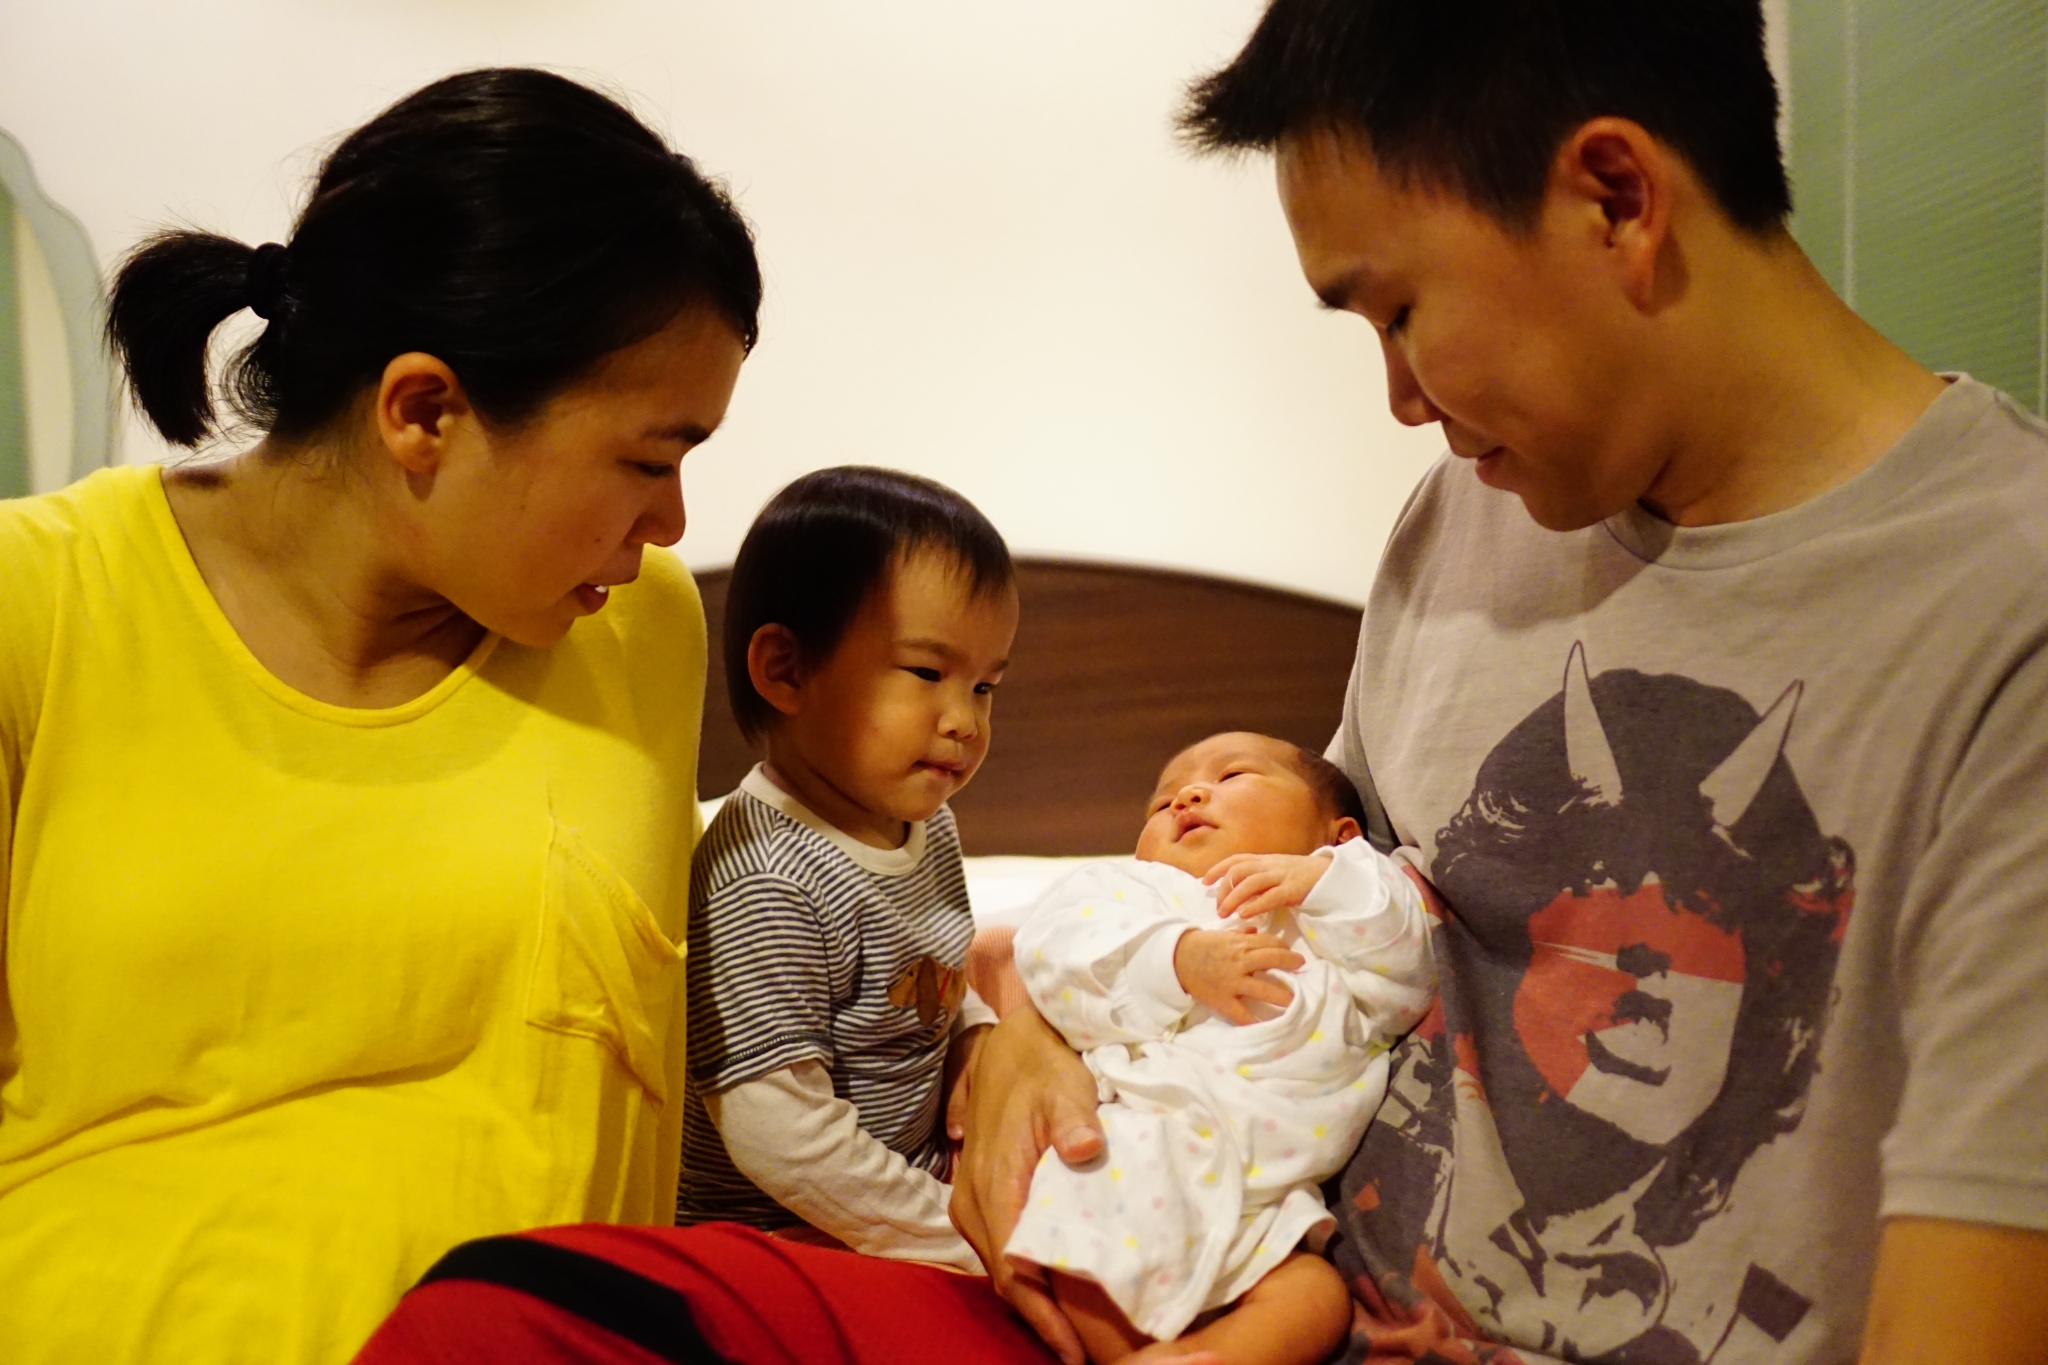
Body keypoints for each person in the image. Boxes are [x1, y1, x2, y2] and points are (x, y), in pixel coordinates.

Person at [954, 2, 2048, 1363]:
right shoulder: (1463, 522)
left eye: (1400, 312)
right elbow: (1287, 899)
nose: (1401, 400)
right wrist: (1027, 1033)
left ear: (1615, 199)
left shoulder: (2007, 621)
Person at [0, 68, 760, 1365]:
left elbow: (801, 931)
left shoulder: (641, 628)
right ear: (423, 412)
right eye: (647, 458)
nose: (673, 522)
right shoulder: (39, 603)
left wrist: (1006, 1028)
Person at [1004, 732, 1434, 1365]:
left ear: (1340, 836)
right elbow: (1056, 956)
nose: (1187, 798)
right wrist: (1175, 959)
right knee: (1087, 1264)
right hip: (1137, 1153)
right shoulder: (1133, 891)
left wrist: (1325, 881)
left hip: (1266, 1203)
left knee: (1317, 1299)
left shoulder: (1350, 905)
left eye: (1232, 776)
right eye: (1162, 803)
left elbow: (1408, 968)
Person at [677, 466, 1014, 1272]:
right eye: (927, 673)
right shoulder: (766, 879)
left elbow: (931, 974)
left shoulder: (924, 821)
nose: (965, 720)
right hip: (779, 1233)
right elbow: (781, 1134)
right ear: (787, 670)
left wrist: (976, 1038)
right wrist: (970, 1237)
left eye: (985, 686)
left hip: (907, 1199)